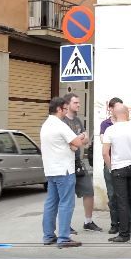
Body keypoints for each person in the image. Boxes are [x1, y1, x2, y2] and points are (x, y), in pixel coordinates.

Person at [40, 97, 87, 248]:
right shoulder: (60, 125)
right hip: (64, 170)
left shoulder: (45, 125)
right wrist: (81, 137)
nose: (66, 112)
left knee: (51, 203)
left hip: (51, 170)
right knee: (66, 203)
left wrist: (72, 144)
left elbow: (66, 144)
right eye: (65, 109)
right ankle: (64, 238)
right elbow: (78, 143)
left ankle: (48, 236)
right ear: (59, 109)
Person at [102, 104, 131, 242]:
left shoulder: (110, 130)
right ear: (127, 113)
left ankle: (124, 234)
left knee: (122, 201)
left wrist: (111, 167)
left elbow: (105, 153)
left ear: (114, 114)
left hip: (118, 168)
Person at [62, 93, 102, 233]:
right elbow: (70, 144)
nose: (79, 105)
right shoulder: (63, 122)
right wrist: (78, 140)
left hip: (78, 162)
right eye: (76, 103)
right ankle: (65, 225)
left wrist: (78, 140)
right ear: (67, 104)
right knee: (67, 196)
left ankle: (88, 222)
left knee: (89, 191)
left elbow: (85, 140)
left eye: (79, 103)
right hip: (66, 164)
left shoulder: (78, 120)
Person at [100, 97, 124, 235]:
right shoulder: (105, 124)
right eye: (116, 107)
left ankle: (126, 223)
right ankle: (115, 223)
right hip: (110, 162)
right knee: (112, 194)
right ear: (110, 108)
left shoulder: (126, 123)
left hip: (123, 162)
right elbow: (104, 140)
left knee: (124, 195)